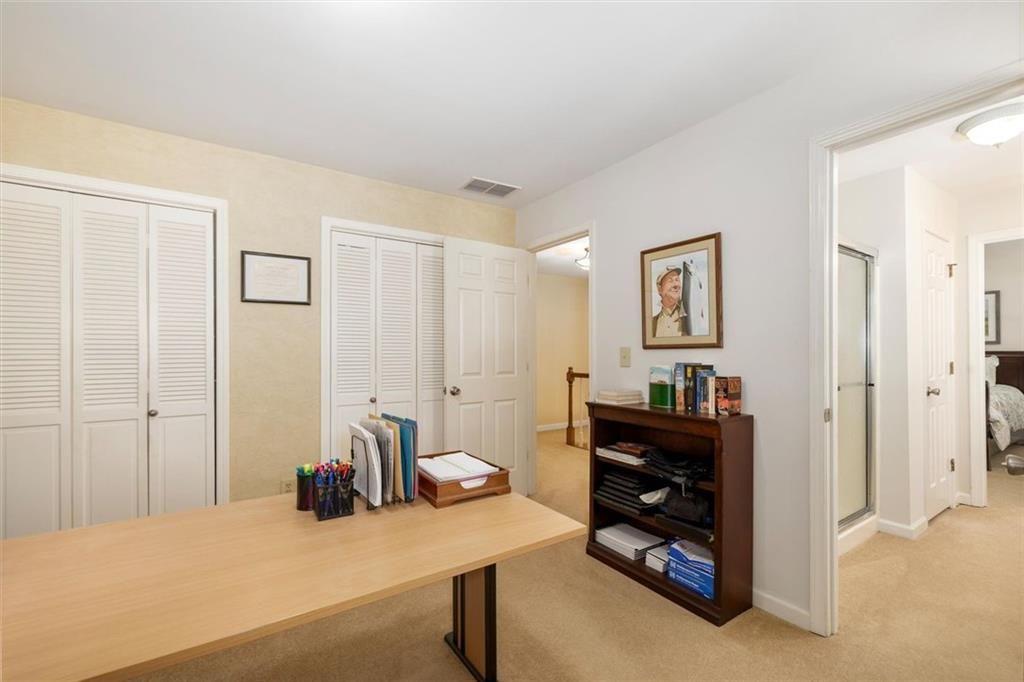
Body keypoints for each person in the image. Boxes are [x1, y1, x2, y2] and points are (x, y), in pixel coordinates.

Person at [652, 265, 687, 337]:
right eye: (670, 281)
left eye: (677, 280)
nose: (676, 285)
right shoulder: (652, 323)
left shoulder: (691, 317)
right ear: (659, 289)